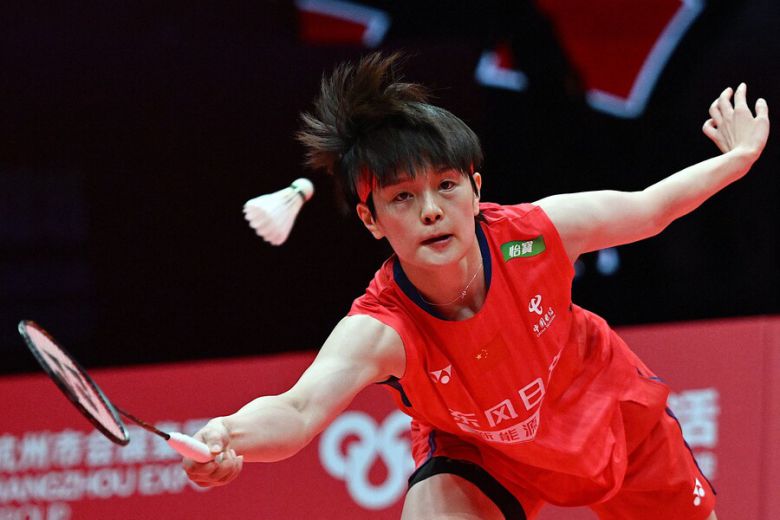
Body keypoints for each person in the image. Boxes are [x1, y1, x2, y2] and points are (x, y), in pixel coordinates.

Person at [183, 53, 769, 519]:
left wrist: (737, 160)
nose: (431, 210)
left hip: (609, 413)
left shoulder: (535, 235)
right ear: (370, 219)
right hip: (486, 454)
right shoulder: (382, 328)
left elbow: (649, 209)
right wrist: (229, 434)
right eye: (402, 197)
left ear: (476, 188)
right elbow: (297, 409)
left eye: (446, 185)